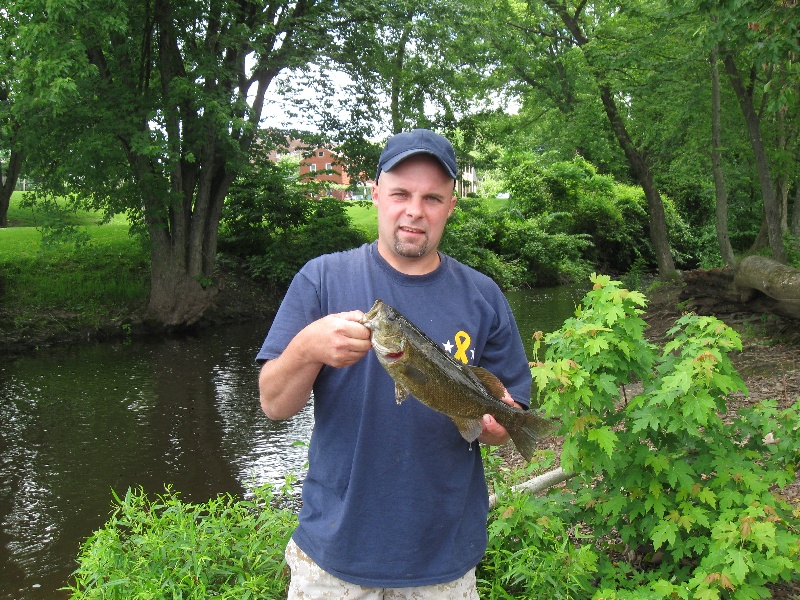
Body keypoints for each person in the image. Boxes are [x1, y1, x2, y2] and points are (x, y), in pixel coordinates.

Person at [256, 129, 532, 599]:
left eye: (432, 198)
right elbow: (274, 405)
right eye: (401, 193)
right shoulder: (322, 277)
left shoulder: (484, 296)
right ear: (376, 193)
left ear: (450, 206)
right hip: (333, 557)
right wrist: (306, 347)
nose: (414, 211)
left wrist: (498, 425)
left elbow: (509, 412)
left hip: (443, 559)